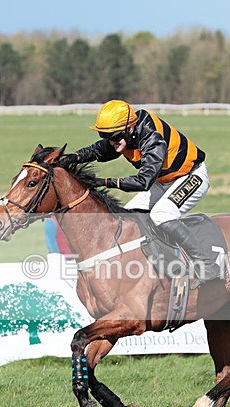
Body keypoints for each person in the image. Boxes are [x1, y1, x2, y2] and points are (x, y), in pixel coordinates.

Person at [60, 99, 220, 287]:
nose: (110, 141)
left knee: (162, 214)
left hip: (190, 177)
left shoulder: (152, 139)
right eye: (105, 135)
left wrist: (105, 182)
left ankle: (206, 265)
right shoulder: (127, 134)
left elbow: (143, 181)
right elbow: (100, 150)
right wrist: (75, 157)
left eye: (113, 136)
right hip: (162, 180)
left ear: (130, 128)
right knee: (126, 218)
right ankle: (160, 264)